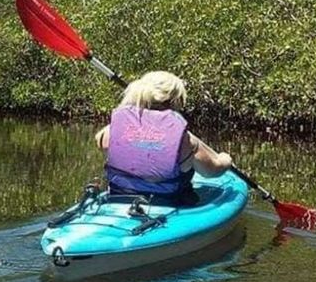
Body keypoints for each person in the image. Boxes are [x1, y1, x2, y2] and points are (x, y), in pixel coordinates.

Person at [94, 70, 233, 205]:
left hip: (119, 199)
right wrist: (225, 160)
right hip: (168, 204)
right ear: (175, 100)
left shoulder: (110, 131)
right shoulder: (185, 141)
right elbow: (211, 172)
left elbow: (100, 140)